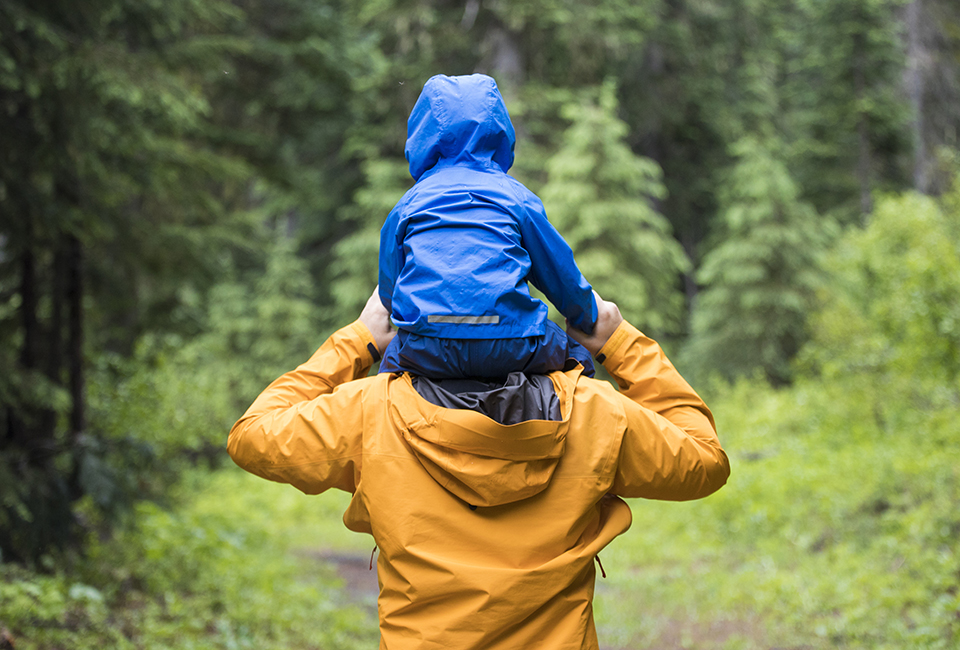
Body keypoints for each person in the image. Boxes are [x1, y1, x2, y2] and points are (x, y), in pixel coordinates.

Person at [227, 287, 730, 650]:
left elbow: (252, 436)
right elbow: (705, 461)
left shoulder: (368, 412)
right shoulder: (597, 413)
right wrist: (621, 343)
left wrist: (357, 340)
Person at [378, 73, 598, 379]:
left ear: (422, 132)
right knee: (577, 357)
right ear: (498, 129)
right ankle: (567, 421)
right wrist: (587, 317)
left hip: (425, 345)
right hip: (511, 342)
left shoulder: (408, 204)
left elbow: (389, 289)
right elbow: (559, 275)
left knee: (387, 373)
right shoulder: (516, 197)